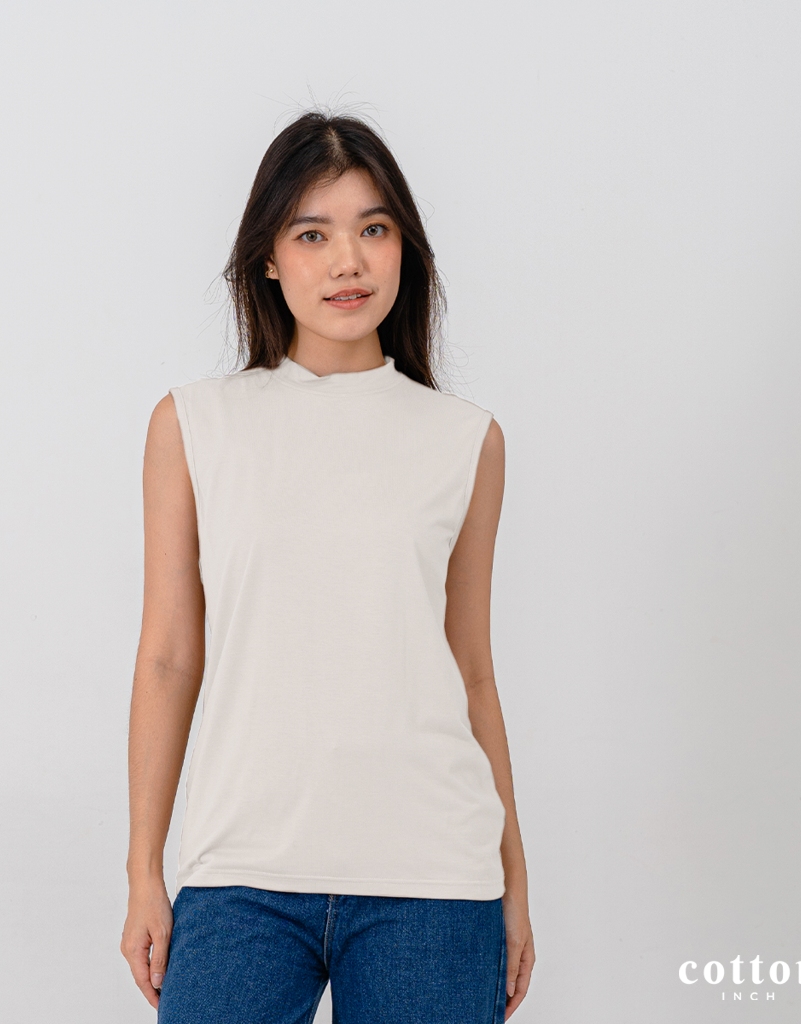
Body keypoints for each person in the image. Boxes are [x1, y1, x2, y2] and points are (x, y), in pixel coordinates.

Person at [120, 109, 535, 1023]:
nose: (349, 261)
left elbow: (471, 670)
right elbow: (168, 658)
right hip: (241, 875)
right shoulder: (194, 425)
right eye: (313, 234)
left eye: (373, 229)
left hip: (434, 880)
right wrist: (145, 869)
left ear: (403, 248)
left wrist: (515, 881)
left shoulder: (466, 440)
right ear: (268, 258)